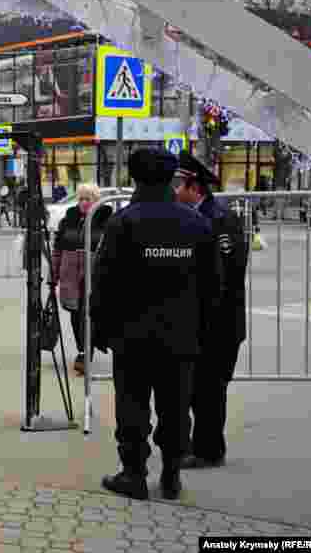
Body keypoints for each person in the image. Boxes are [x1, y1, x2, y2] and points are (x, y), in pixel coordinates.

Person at [90, 148, 219, 501]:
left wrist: (99, 326)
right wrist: (205, 331)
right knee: (175, 407)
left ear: (134, 176)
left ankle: (134, 473)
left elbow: (104, 281)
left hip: (132, 337)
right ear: (172, 177)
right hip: (181, 337)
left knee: (132, 406)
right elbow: (213, 286)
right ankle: (172, 475)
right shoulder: (197, 223)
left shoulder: (123, 222)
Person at [175, 152, 248, 470]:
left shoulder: (219, 218)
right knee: (197, 389)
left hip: (219, 323)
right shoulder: (197, 215)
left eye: (180, 184)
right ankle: (202, 443)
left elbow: (227, 272)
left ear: (195, 187)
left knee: (209, 389)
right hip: (203, 321)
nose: (175, 190)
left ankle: (209, 450)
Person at [51, 183, 113, 376]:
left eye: (89, 199)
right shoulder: (68, 220)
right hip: (70, 279)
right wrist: (53, 276)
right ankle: (82, 350)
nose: (84, 203)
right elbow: (58, 250)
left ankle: (86, 354)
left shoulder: (106, 221)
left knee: (90, 316)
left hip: (94, 279)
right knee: (75, 317)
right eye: (81, 199)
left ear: (96, 201)